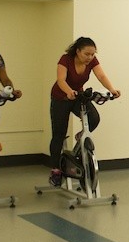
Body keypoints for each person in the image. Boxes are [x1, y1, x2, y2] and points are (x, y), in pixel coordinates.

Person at [48, 37, 121, 187]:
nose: (90, 57)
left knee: (94, 118)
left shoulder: (92, 61)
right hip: (61, 97)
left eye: (92, 54)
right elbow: (61, 80)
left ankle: (80, 138)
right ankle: (55, 170)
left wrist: (111, 90)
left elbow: (101, 75)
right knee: (59, 134)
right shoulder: (65, 59)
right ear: (78, 51)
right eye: (86, 54)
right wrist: (69, 92)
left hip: (78, 96)